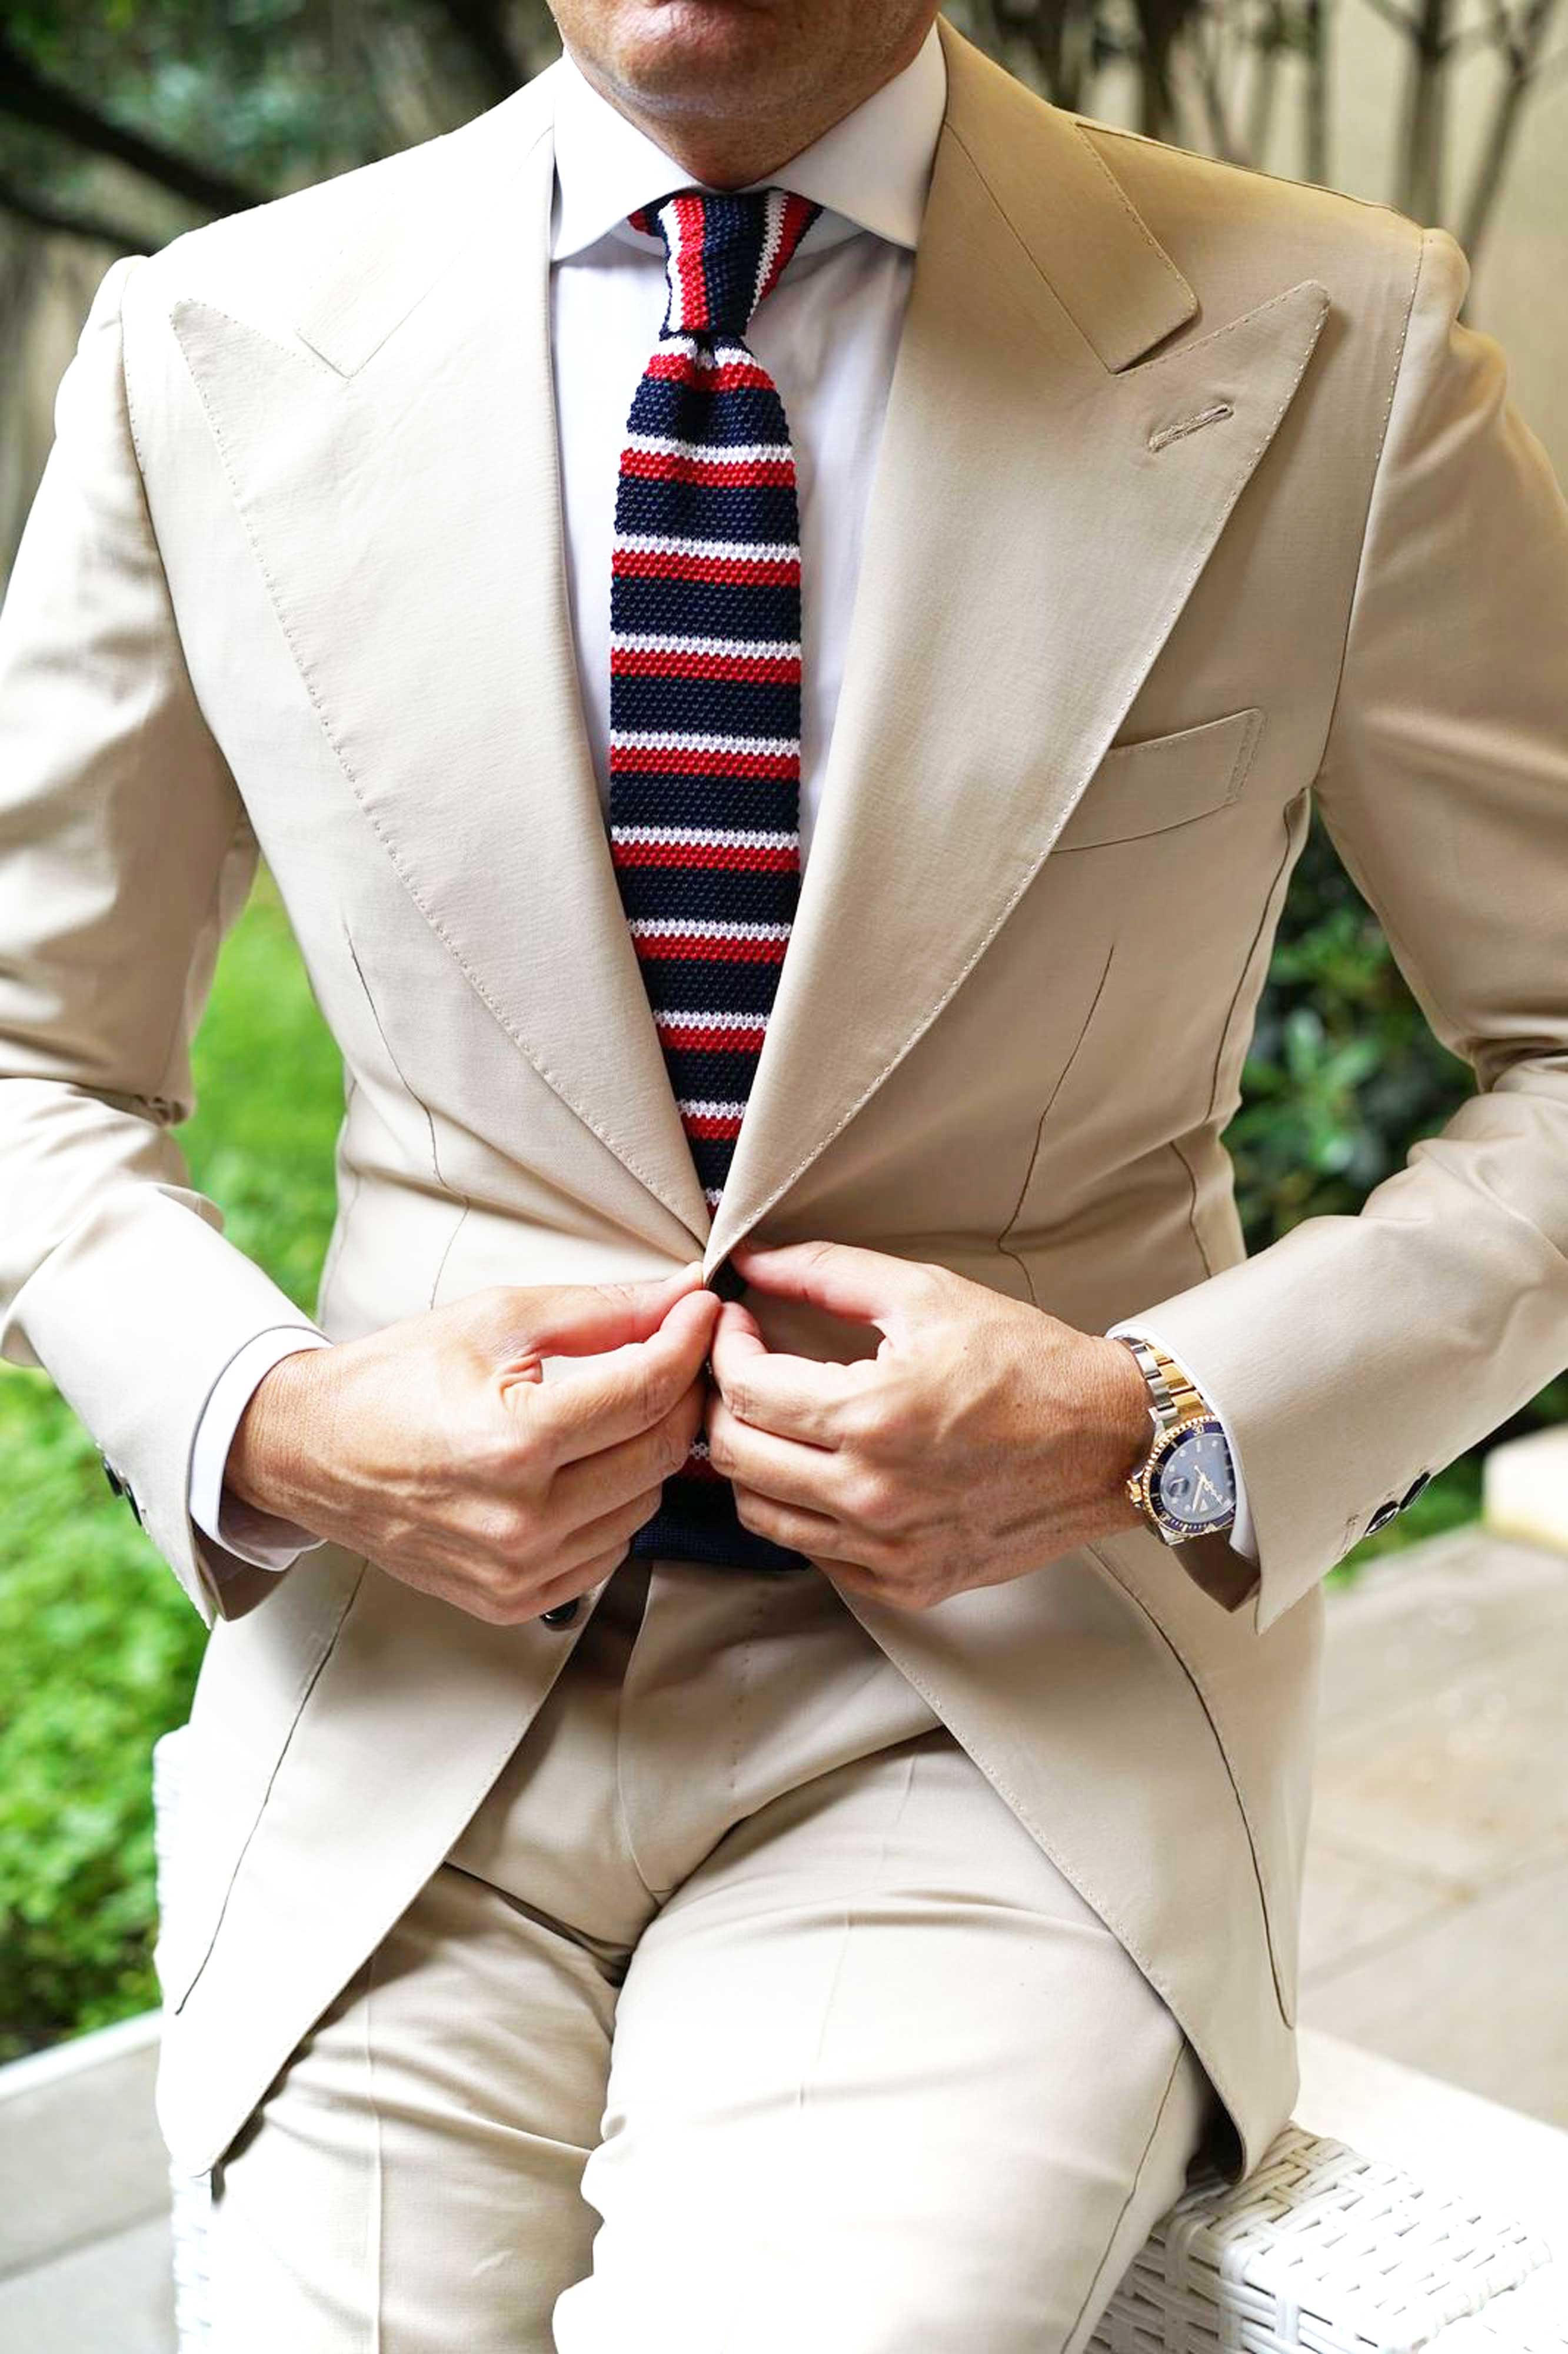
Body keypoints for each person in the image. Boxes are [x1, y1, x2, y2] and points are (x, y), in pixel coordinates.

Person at [2, 0, 1566, 2342]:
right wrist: (280, 1424)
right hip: (406, 1687)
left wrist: (1151, 1419)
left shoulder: (1332, 335)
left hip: (1000, 1716)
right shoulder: (207, 345)